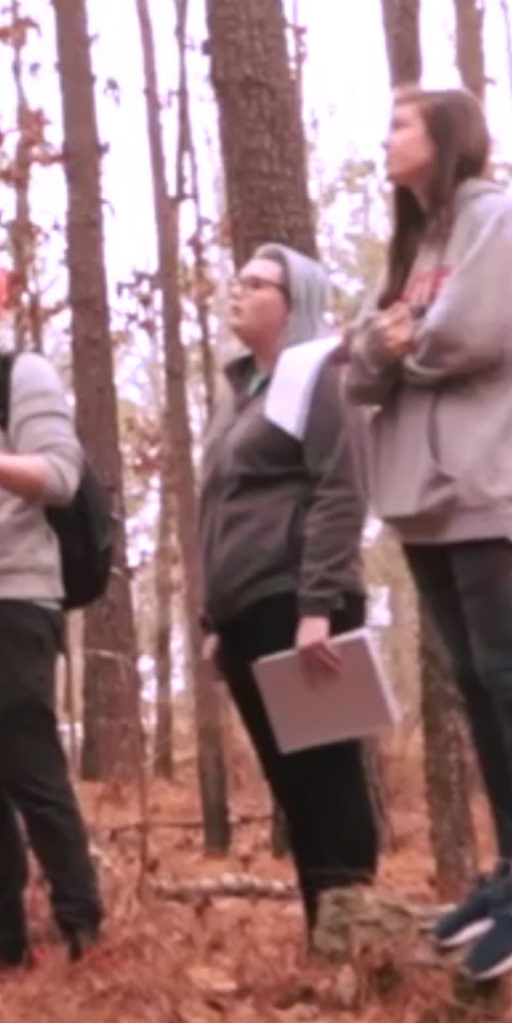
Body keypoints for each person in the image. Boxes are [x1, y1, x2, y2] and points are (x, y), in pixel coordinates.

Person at [347, 87, 512, 980]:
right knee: (475, 680)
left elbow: (472, 335)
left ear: (447, 136)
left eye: (401, 123)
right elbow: (363, 363)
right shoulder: (419, 245)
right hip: (418, 490)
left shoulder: (493, 217)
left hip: (482, 479)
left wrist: (402, 340)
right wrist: (392, 337)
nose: (386, 136)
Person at [196, 244, 380, 934]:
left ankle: (358, 935)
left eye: (255, 283)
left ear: (292, 299)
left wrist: (318, 609)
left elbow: (340, 489)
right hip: (246, 611)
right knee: (291, 787)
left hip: (304, 604)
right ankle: (323, 937)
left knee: (328, 777)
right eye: (235, 280)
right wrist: (215, 615)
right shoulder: (241, 390)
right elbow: (221, 504)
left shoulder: (323, 373)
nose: (236, 292)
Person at [0, 249, 105, 974]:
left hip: (17, 593)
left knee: (27, 762)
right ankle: (5, 939)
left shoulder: (20, 374)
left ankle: (82, 923)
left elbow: (60, 475)